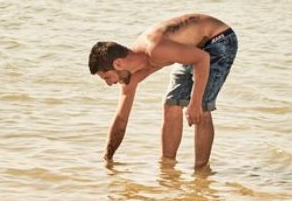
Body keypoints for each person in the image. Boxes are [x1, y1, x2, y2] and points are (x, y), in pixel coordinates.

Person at [88, 13, 238, 168]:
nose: (109, 84)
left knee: (202, 108)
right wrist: (108, 158)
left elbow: (202, 59)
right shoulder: (132, 76)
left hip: (219, 39)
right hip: (193, 47)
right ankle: (167, 168)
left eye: (107, 77)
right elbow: (121, 119)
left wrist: (195, 102)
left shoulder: (155, 49)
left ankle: (200, 173)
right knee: (171, 104)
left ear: (118, 64)